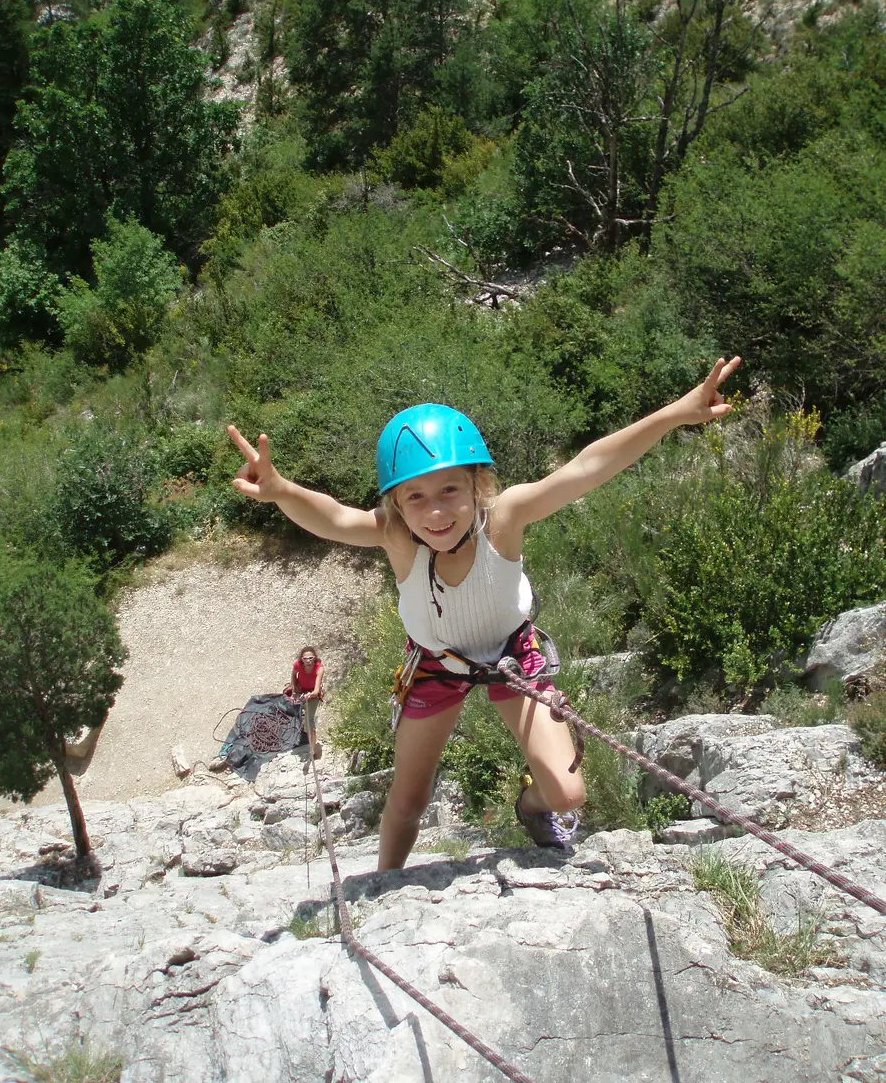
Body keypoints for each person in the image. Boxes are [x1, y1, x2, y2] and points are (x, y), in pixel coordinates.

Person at [228, 355, 740, 871]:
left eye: (450, 489)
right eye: (416, 496)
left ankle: (531, 804)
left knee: (565, 793)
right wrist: (281, 491)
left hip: (511, 656)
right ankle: (383, 889)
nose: (435, 511)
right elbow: (334, 516)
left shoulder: (505, 518)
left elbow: (587, 466)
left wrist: (675, 413)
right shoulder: (396, 536)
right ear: (397, 506)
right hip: (436, 664)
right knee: (408, 800)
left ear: (477, 485)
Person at [287, 645, 324, 758]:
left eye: (311, 658)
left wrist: (310, 695)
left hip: (312, 695)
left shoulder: (319, 668)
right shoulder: (298, 665)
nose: (308, 661)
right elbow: (293, 675)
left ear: (315, 658)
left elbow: (317, 690)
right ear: (301, 659)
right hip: (301, 691)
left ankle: (312, 750)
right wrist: (294, 688)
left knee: (309, 722)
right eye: (305, 658)